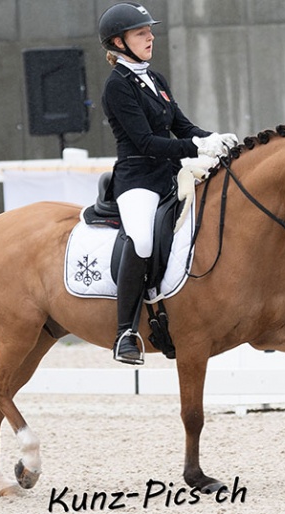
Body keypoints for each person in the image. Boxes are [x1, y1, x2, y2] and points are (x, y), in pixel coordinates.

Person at [98, 2, 237, 365]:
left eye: (149, 31)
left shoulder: (155, 79)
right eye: (141, 33)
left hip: (171, 177)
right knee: (142, 239)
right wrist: (196, 147)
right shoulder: (118, 87)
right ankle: (125, 332)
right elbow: (145, 142)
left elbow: (183, 126)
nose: (150, 37)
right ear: (119, 41)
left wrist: (215, 138)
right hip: (138, 180)